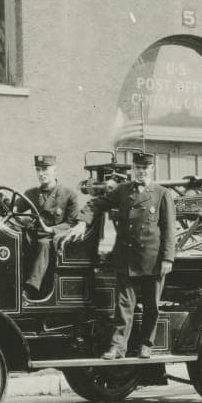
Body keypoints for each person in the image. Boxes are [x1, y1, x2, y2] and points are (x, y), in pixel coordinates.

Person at [68, 151, 176, 360]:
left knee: (152, 306)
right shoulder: (123, 191)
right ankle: (118, 348)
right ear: (133, 170)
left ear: (152, 169)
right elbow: (97, 203)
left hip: (152, 259)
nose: (141, 172)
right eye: (138, 168)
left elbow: (169, 229)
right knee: (124, 306)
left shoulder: (162, 194)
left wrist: (167, 258)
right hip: (126, 258)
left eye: (145, 168)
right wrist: (82, 221)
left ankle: (146, 344)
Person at [22, 155, 82, 299]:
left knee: (43, 244)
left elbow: (72, 222)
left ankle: (31, 288)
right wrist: (1, 200)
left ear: (55, 171)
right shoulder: (31, 194)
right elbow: (12, 209)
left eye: (45, 169)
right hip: (33, 236)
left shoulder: (69, 195)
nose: (41, 173)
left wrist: (52, 230)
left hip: (54, 239)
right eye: (38, 170)